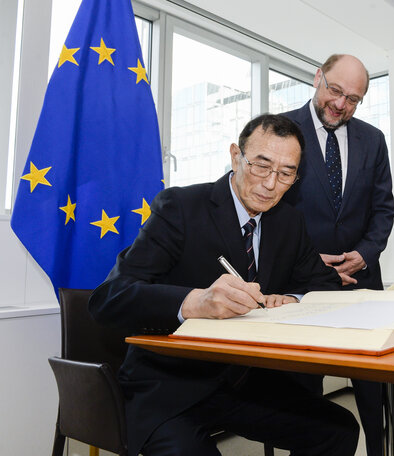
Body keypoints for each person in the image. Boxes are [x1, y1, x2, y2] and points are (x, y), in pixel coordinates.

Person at [88, 115, 359, 456]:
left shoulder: (288, 220)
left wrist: (293, 298)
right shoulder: (180, 208)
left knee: (338, 430)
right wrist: (193, 303)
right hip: (170, 385)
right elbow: (109, 298)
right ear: (235, 156)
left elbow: (326, 286)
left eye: (286, 173)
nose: (271, 184)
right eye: (261, 166)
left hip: (243, 382)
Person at [282, 53, 394, 456]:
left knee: (372, 390)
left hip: (362, 284)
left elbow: (384, 210)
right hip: (303, 288)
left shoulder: (372, 139)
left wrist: (363, 254)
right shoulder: (280, 130)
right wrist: (312, 262)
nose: (341, 104)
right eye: (335, 90)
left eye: (353, 98)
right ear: (317, 77)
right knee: (304, 394)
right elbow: (272, 210)